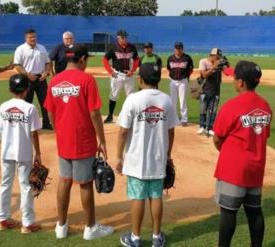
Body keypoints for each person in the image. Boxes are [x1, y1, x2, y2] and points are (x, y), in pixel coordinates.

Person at [44, 45, 114, 240]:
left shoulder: (55, 81)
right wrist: (102, 139)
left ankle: (61, 226)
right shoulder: (86, 79)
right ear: (81, 59)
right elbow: (94, 112)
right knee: (85, 183)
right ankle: (90, 228)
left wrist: (58, 130)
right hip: (82, 139)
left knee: (64, 180)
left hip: (63, 139)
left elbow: (50, 111)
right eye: (87, 59)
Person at [116, 63, 179, 247]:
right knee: (156, 196)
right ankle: (156, 237)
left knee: (138, 197)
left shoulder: (133, 99)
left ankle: (135, 238)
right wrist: (168, 155)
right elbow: (171, 131)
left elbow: (122, 131)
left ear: (140, 79)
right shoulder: (166, 100)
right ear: (158, 79)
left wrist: (119, 157)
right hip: (158, 158)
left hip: (136, 159)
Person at [212, 61, 272, 247]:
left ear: (241, 82)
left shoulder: (232, 106)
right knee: (254, 211)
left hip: (234, 169)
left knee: (229, 212)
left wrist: (228, 150)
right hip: (256, 167)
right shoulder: (265, 106)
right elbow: (264, 135)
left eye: (235, 77)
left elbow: (217, 138)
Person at [0, 74, 42, 234]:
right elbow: (34, 133)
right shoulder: (30, 108)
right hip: (24, 152)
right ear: (27, 89)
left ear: (10, 89)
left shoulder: (3, 106)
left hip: (6, 151)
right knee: (25, 186)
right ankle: (27, 224)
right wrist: (38, 154)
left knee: (5, 184)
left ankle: (2, 220)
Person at [14, 28, 53, 130]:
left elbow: (47, 62)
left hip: (41, 79)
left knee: (45, 102)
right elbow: (17, 65)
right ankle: (26, 124)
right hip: (27, 79)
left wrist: (46, 72)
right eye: (30, 37)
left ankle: (46, 123)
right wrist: (27, 75)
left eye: (34, 36)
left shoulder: (42, 48)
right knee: (26, 102)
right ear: (26, 38)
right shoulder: (20, 49)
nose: (33, 39)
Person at [103, 29, 140, 123]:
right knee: (113, 96)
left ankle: (131, 116)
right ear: (118, 38)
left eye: (126, 37)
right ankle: (110, 116)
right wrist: (110, 71)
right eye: (122, 37)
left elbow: (136, 59)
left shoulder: (132, 47)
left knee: (131, 96)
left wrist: (133, 71)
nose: (125, 39)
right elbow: (105, 59)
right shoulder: (113, 47)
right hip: (117, 75)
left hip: (129, 75)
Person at [197, 48, 225, 136]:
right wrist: (214, 66)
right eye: (217, 57)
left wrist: (226, 65)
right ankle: (202, 126)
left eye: (219, 57)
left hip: (216, 90)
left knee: (213, 110)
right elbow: (204, 75)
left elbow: (227, 72)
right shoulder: (203, 62)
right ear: (212, 55)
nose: (218, 59)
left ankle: (210, 128)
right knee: (203, 109)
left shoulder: (219, 63)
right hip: (204, 90)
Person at [167, 42, 193, 127]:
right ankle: (174, 119)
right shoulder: (170, 58)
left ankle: (184, 119)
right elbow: (168, 68)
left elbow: (190, 69)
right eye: (177, 48)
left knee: (182, 101)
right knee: (173, 101)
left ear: (182, 48)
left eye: (180, 48)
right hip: (172, 81)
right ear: (174, 49)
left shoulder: (187, 58)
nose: (178, 50)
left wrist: (186, 77)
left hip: (183, 81)